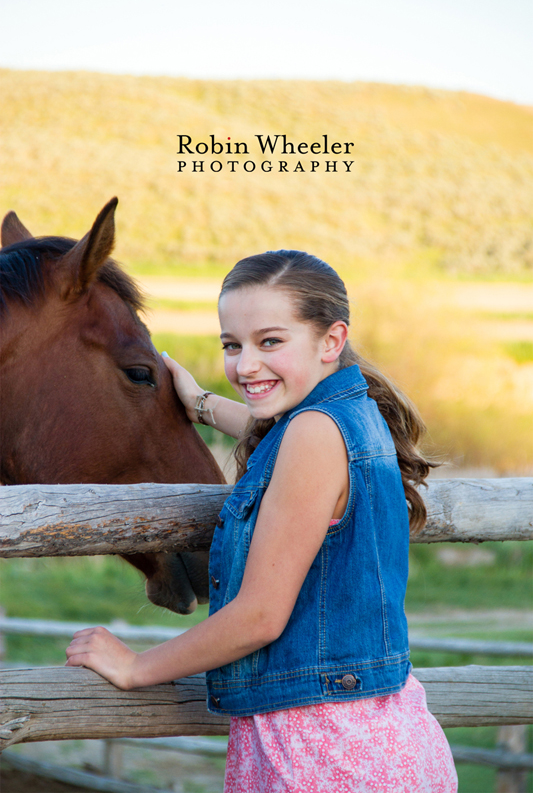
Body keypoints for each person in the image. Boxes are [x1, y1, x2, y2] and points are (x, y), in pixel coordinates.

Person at [65, 250, 458, 792]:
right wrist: (201, 403)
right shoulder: (348, 412)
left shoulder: (313, 435)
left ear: (331, 340)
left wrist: (136, 667)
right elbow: (274, 430)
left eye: (269, 342)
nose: (245, 365)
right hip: (371, 735)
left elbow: (260, 617)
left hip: (322, 751)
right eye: (232, 344)